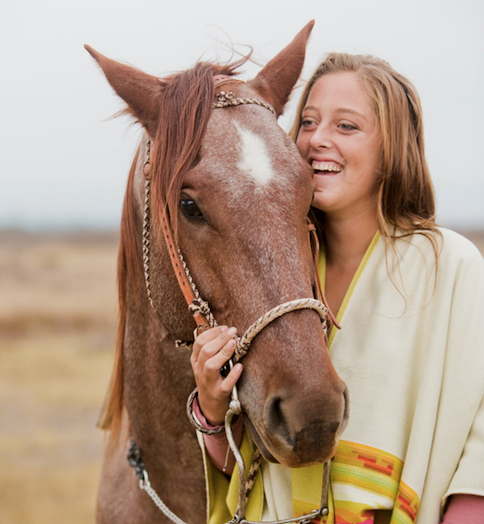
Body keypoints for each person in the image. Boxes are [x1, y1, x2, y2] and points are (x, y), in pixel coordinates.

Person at [190, 53, 484, 524]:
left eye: (346, 127)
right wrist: (211, 404)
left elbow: (480, 442)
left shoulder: (450, 265)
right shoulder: (277, 274)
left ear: (394, 147)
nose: (317, 139)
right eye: (308, 121)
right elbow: (251, 469)